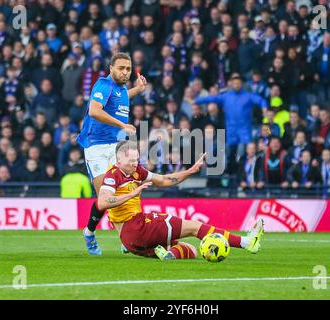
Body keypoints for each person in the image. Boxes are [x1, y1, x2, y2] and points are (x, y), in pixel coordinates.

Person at [94, 141, 265, 260]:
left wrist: (190, 171)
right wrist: (131, 195)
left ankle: (169, 256)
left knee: (191, 250)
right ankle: (247, 242)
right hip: (136, 227)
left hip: (131, 241)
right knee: (195, 227)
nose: (135, 164)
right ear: (118, 160)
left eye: (137, 159)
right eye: (131, 161)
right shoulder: (112, 175)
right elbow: (102, 203)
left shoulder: (137, 171)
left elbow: (164, 180)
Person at [77, 52, 147, 255]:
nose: (125, 72)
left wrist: (138, 89)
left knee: (123, 190)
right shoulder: (103, 85)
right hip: (96, 145)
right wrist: (122, 124)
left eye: (128, 69)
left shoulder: (121, 88)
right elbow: (94, 111)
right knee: (105, 198)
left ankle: (126, 239)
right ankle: (89, 232)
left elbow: (122, 97)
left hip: (116, 146)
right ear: (111, 69)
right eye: (121, 68)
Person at [195, 75, 268, 174]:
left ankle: (241, 177)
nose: (237, 85)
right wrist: (196, 101)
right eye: (235, 83)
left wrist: (264, 107)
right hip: (231, 132)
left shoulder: (248, 96)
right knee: (228, 155)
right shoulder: (226, 96)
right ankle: (229, 176)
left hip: (244, 132)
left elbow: (261, 100)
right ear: (232, 85)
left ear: (241, 84)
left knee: (241, 155)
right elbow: (211, 98)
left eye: (238, 83)